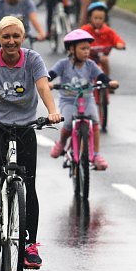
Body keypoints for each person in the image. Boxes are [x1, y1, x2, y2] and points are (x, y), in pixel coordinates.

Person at [0, 16, 62, 269]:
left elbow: (43, 87)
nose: (11, 41)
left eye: (15, 36)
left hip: (25, 126)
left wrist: (53, 110)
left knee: (29, 184)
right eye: (6, 36)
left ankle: (30, 245)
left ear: (22, 37)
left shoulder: (32, 59)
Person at [48, 28, 117, 170]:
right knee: (67, 123)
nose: (87, 52)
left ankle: (96, 154)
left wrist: (109, 82)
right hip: (68, 100)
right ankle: (61, 143)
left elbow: (101, 76)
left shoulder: (90, 64)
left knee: (95, 122)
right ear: (72, 49)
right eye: (83, 48)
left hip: (87, 99)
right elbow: (50, 75)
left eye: (88, 49)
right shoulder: (63, 64)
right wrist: (47, 82)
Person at [80, 0, 124, 76]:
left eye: (100, 18)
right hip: (87, 58)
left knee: (105, 60)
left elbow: (117, 39)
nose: (98, 21)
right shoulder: (85, 30)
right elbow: (75, 38)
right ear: (90, 18)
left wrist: (119, 44)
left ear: (105, 19)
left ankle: (106, 82)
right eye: (95, 18)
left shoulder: (108, 31)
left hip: (101, 59)